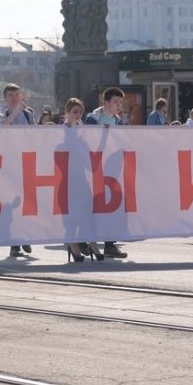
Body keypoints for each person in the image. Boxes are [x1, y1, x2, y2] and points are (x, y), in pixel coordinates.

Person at [83, 87, 129, 259]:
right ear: (106, 102)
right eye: (115, 102)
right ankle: (86, 239)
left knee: (113, 206)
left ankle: (110, 244)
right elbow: (88, 141)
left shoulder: (119, 121)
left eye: (120, 102)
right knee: (93, 206)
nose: (118, 106)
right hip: (95, 168)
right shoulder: (92, 119)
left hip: (113, 168)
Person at [0, 83, 36, 257]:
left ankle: (22, 236)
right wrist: (15, 111)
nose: (14, 98)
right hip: (9, 164)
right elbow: (1, 129)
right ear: (5, 98)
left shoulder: (28, 114)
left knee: (25, 204)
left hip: (26, 163)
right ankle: (14, 242)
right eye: (10, 95)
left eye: (16, 94)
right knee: (10, 205)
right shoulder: (2, 115)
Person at [62, 97, 104, 263]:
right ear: (67, 112)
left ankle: (93, 244)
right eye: (74, 112)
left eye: (80, 112)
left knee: (88, 213)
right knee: (72, 214)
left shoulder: (83, 130)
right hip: (68, 177)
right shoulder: (63, 129)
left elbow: (89, 149)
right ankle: (73, 246)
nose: (78, 115)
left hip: (81, 175)